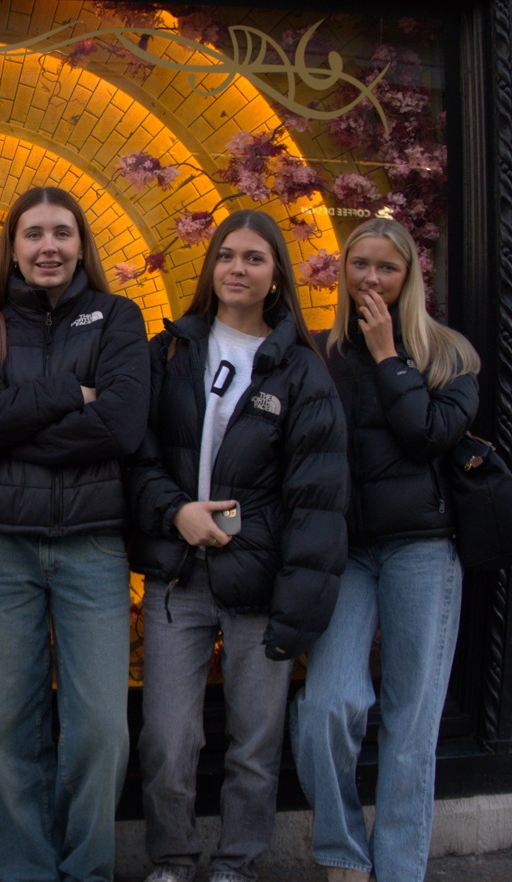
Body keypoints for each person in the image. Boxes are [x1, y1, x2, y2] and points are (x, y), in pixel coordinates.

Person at [125, 208, 349, 882]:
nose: (237, 269)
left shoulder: (301, 370)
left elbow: (316, 499)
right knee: (168, 739)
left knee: (254, 741)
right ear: (210, 266)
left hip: (259, 580)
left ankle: (237, 864)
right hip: (178, 577)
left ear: (276, 273)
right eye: (226, 255)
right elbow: (135, 455)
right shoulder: (169, 352)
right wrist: (175, 513)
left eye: (254, 257)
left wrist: (297, 602)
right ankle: (171, 860)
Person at [0, 186, 150, 882]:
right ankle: (28, 873)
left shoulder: (119, 317)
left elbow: (122, 425)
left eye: (61, 232)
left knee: (100, 729)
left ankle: (87, 871)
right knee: (10, 728)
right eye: (33, 234)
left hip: (93, 548)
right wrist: (68, 395)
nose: (48, 247)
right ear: (13, 248)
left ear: (81, 243)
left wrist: (14, 426)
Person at [290, 217, 481, 882]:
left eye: (387, 267)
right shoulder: (318, 352)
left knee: (411, 721)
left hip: (422, 552)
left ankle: (399, 870)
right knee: (326, 707)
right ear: (343, 270)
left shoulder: (449, 354)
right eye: (360, 264)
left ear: (410, 277)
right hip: (345, 553)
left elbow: (426, 436)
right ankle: (343, 853)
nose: (371, 279)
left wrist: (387, 356)